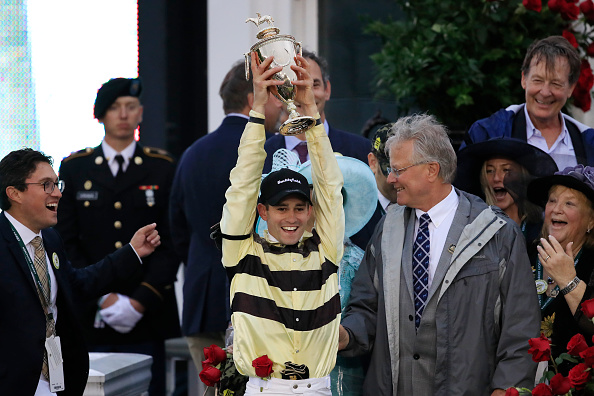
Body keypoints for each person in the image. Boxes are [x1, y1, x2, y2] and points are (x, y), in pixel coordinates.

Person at [338, 114, 541, 395]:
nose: (390, 178)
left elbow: (520, 328)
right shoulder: (388, 227)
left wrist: (507, 389)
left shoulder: (497, 233)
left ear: (431, 170)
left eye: (398, 170)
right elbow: (367, 306)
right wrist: (345, 335)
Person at [220, 52, 343, 395]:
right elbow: (242, 186)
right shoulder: (241, 252)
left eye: (299, 208)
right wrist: (258, 109)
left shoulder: (327, 248)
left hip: (318, 388)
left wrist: (312, 118)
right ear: (262, 212)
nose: (291, 217)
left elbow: (330, 190)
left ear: (310, 212)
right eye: (280, 208)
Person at [0, 148, 162, 396]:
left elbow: (77, 285)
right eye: (46, 185)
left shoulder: (50, 239)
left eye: (56, 184)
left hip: (54, 381)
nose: (58, 193)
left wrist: (132, 252)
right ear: (15, 193)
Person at [55, 77, 180, 395]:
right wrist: (102, 295)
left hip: (147, 310)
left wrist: (139, 300)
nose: (123, 114)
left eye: (131, 107)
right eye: (114, 108)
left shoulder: (162, 166)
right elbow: (66, 242)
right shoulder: (75, 168)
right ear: (101, 115)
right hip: (92, 310)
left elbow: (173, 239)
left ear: (140, 113)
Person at [168, 61, 283, 388]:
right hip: (260, 300)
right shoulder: (268, 148)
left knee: (214, 392)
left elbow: (178, 229)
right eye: (274, 95)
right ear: (253, 99)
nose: (280, 105)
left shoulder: (192, 153)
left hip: (202, 300)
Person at [461, 36, 594, 170]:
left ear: (571, 88)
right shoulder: (486, 134)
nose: (545, 92)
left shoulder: (589, 144)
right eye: (538, 80)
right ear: (524, 79)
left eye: (556, 83)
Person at [526, 165, 594, 366]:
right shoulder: (522, 254)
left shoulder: (592, 263)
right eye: (552, 201)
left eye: (569, 203)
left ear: (591, 221)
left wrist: (567, 279)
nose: (556, 209)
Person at [455, 137, 558, 242]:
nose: (496, 178)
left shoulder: (541, 232)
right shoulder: (472, 230)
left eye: (506, 170)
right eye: (489, 171)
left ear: (522, 177)